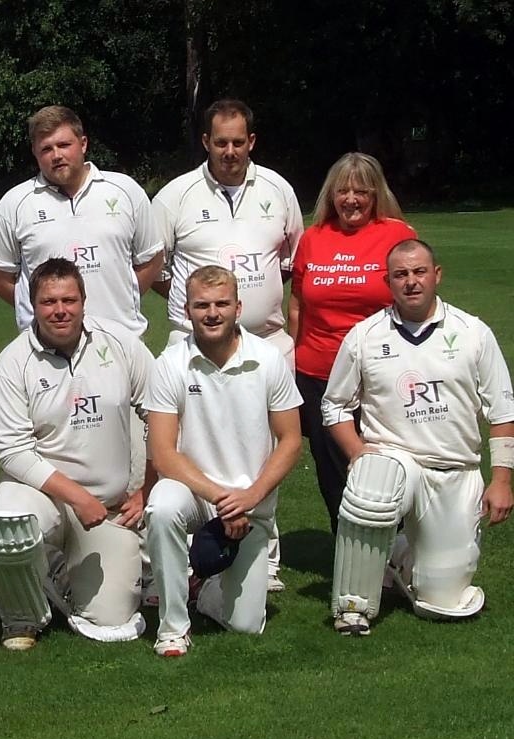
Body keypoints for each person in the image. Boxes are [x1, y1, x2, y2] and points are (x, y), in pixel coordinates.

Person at [323, 239, 514, 636]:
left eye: (419, 272)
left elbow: (503, 411)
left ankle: (399, 555)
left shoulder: (472, 332)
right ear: (387, 281)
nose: (411, 282)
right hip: (395, 461)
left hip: (456, 471)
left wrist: (501, 481)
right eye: (401, 274)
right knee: (373, 483)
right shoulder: (365, 336)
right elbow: (334, 406)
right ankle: (352, 605)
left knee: (442, 603)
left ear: (436, 275)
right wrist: (358, 452)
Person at [151, 98, 304, 590]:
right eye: (221, 142)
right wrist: (197, 309)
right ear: (206, 143)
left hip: (268, 343)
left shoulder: (278, 189)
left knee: (263, 449)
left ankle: (265, 557)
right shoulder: (176, 195)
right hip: (193, 344)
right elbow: (157, 267)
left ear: (251, 142)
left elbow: (293, 263)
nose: (231, 151)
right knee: (191, 446)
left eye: (239, 142)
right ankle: (181, 554)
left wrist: (282, 326)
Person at [0, 258, 155, 650]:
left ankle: (56, 575)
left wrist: (146, 488)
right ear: (32, 304)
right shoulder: (13, 362)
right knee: (7, 520)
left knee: (112, 623)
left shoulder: (121, 344)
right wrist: (78, 497)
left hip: (107, 508)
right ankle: (20, 616)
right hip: (45, 499)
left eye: (69, 300)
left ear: (83, 301)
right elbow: (12, 451)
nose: (60, 310)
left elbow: (160, 412)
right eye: (48, 302)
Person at [144, 266, 302, 657]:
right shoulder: (170, 363)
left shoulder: (268, 359)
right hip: (195, 493)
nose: (212, 313)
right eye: (202, 305)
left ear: (238, 307)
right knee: (162, 506)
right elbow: (163, 452)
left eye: (221, 304)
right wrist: (221, 497)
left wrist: (250, 496)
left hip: (251, 502)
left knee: (246, 625)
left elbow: (291, 441)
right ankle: (173, 628)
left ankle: (205, 588)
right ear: (186, 309)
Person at [289, 153, 415, 532]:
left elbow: (413, 297)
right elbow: (297, 304)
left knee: (385, 466)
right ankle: (351, 556)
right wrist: (291, 363)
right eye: (343, 190)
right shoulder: (313, 239)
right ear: (332, 195)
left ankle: (398, 552)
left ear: (376, 194)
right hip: (318, 374)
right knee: (333, 473)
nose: (352, 199)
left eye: (361, 190)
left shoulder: (397, 234)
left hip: (379, 376)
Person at [0, 105, 163, 336]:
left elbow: (152, 258)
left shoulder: (126, 191)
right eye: (46, 149)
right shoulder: (14, 203)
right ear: (35, 152)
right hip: (46, 348)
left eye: (64, 145)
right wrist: (39, 308)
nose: (57, 155)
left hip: (121, 339)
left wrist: (122, 295)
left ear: (83, 143)